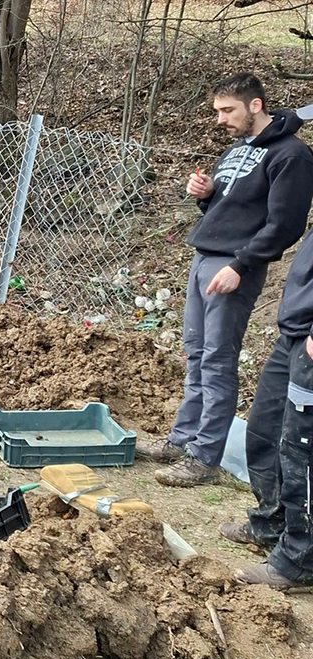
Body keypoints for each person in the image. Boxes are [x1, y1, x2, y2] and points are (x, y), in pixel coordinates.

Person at [136, 73, 313, 488]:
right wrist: (205, 193)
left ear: (256, 105)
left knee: (217, 358)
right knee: (195, 353)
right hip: (204, 258)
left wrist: (241, 265)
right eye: (217, 110)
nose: (219, 119)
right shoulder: (236, 151)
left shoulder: (291, 155)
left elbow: (285, 224)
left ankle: (203, 457)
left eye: (227, 110)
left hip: (233, 267)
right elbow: (226, 209)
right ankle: (182, 441)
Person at [235, 337, 313, 591]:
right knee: (265, 430)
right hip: (295, 331)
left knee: (303, 452)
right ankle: (271, 523)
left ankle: (299, 560)